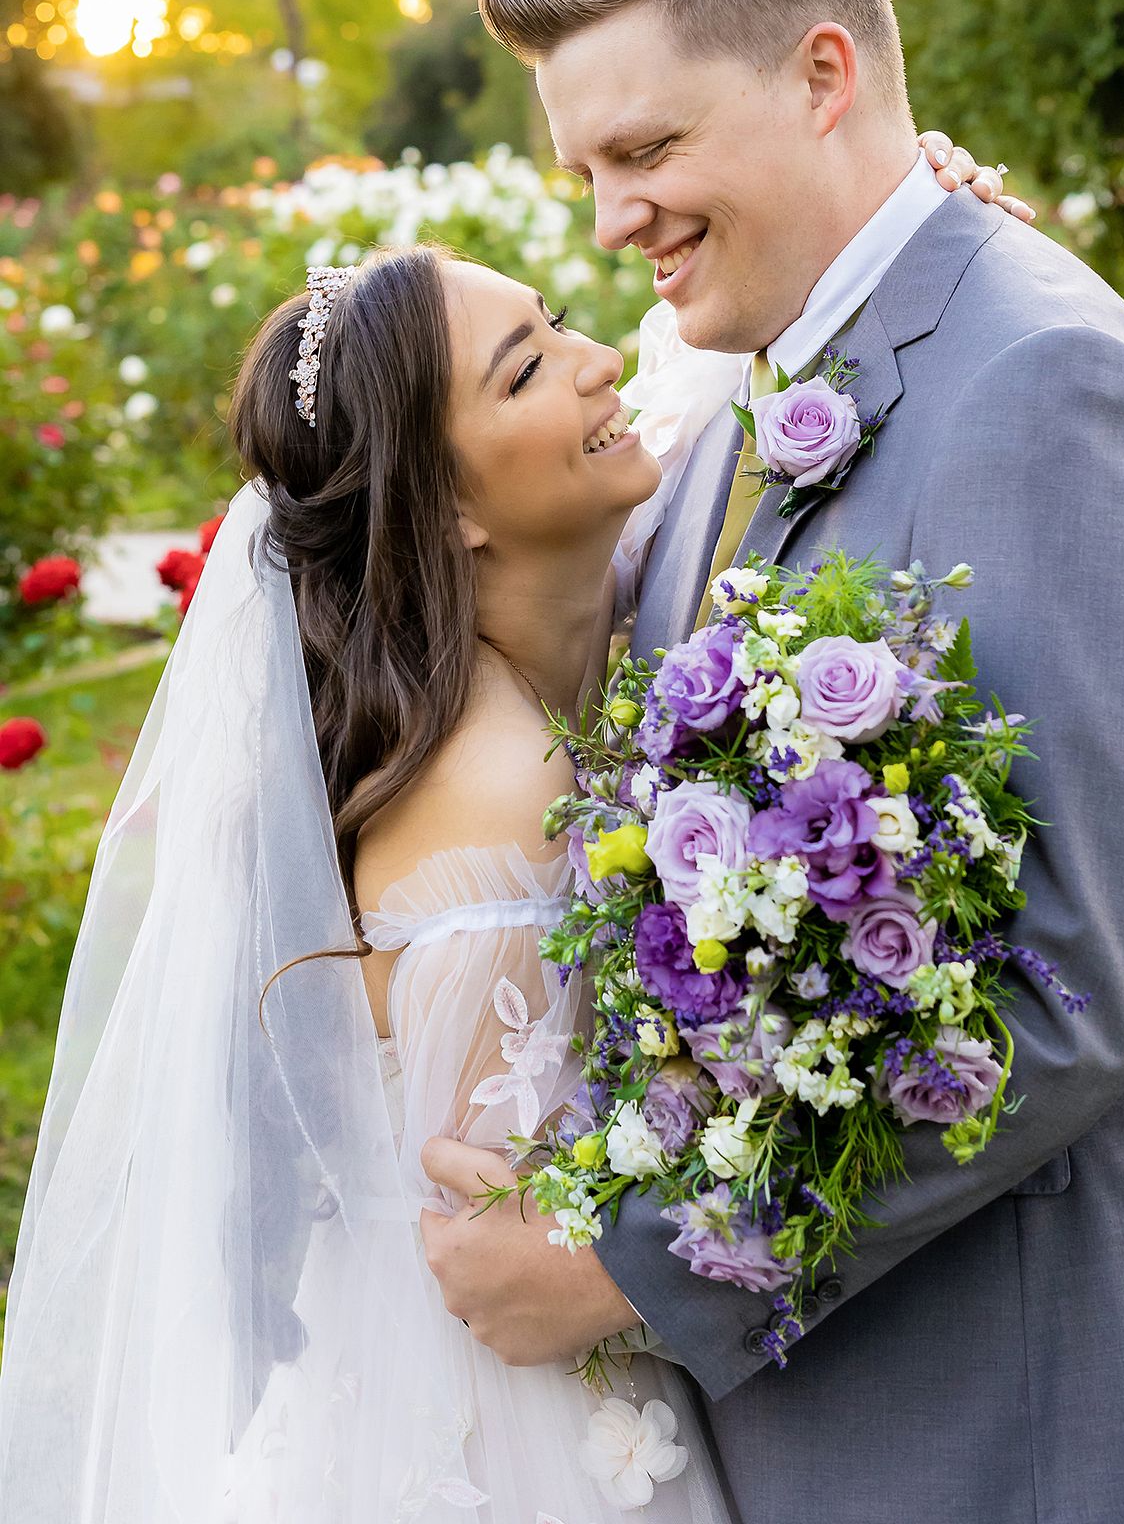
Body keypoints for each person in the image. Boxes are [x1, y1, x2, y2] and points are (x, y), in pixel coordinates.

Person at [0, 142, 1004, 1514]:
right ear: (452, 508)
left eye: (558, 321)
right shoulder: (498, 809)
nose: (601, 361)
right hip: (526, 1446)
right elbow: (516, 1252)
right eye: (528, 370)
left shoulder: (575, 599)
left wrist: (901, 203)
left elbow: (696, 364)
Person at [416, 0, 1124, 1524]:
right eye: (588, 171)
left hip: (987, 1421)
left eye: (647, 150)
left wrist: (621, 1270)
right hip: (803, 1417)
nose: (611, 220)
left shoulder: (1045, 379)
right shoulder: (749, 392)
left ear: (824, 76)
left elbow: (1062, 994)